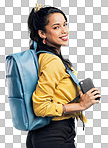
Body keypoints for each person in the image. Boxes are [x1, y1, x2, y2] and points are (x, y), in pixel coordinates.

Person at [26, 3, 101, 148]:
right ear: (42, 33)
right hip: (53, 134)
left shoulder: (43, 57)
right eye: (56, 27)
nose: (64, 31)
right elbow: (40, 107)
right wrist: (80, 105)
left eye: (65, 24)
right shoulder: (52, 61)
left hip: (46, 134)